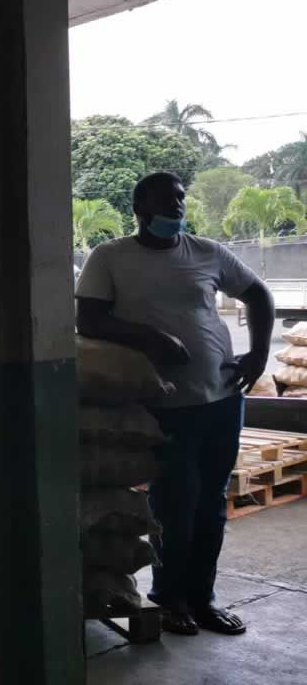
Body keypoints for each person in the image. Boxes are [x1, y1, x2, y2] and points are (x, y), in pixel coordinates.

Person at [76, 171, 274, 637]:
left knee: (211, 504)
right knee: (174, 505)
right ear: (140, 210)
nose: (177, 207)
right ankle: (168, 599)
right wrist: (151, 338)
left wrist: (260, 353)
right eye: (167, 201)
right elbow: (90, 320)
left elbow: (258, 295)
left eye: (181, 199)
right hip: (164, 408)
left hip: (223, 398)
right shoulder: (110, 258)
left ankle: (202, 599)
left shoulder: (208, 252)